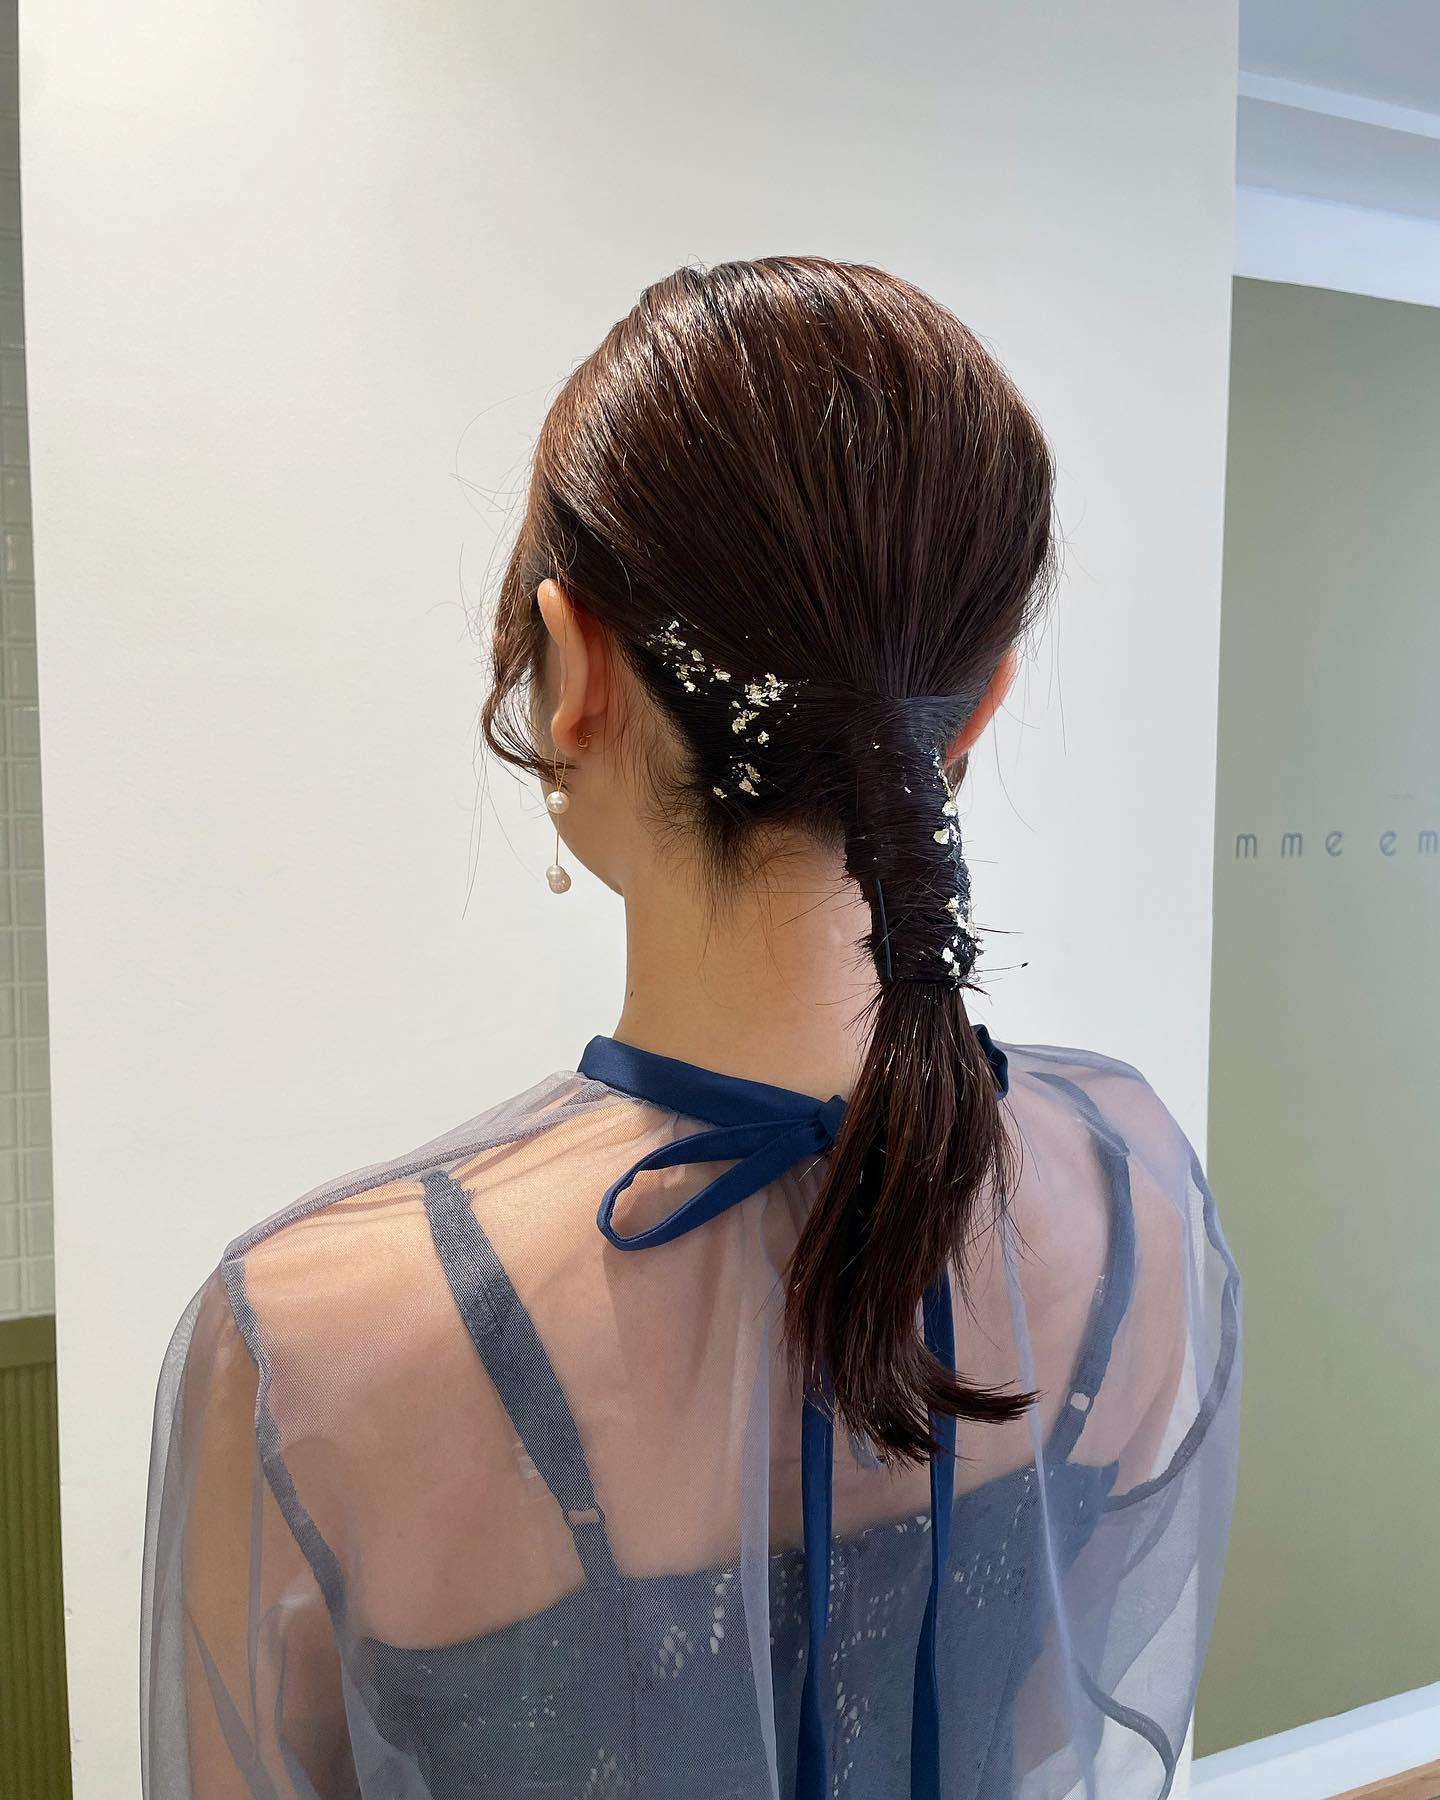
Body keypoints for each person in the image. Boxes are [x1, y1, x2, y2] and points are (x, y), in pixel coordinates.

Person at [141, 255, 1241, 1800]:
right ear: (977, 710)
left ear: (575, 665)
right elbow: (1054, 1726)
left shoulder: (315, 1340)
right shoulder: (1130, 1191)